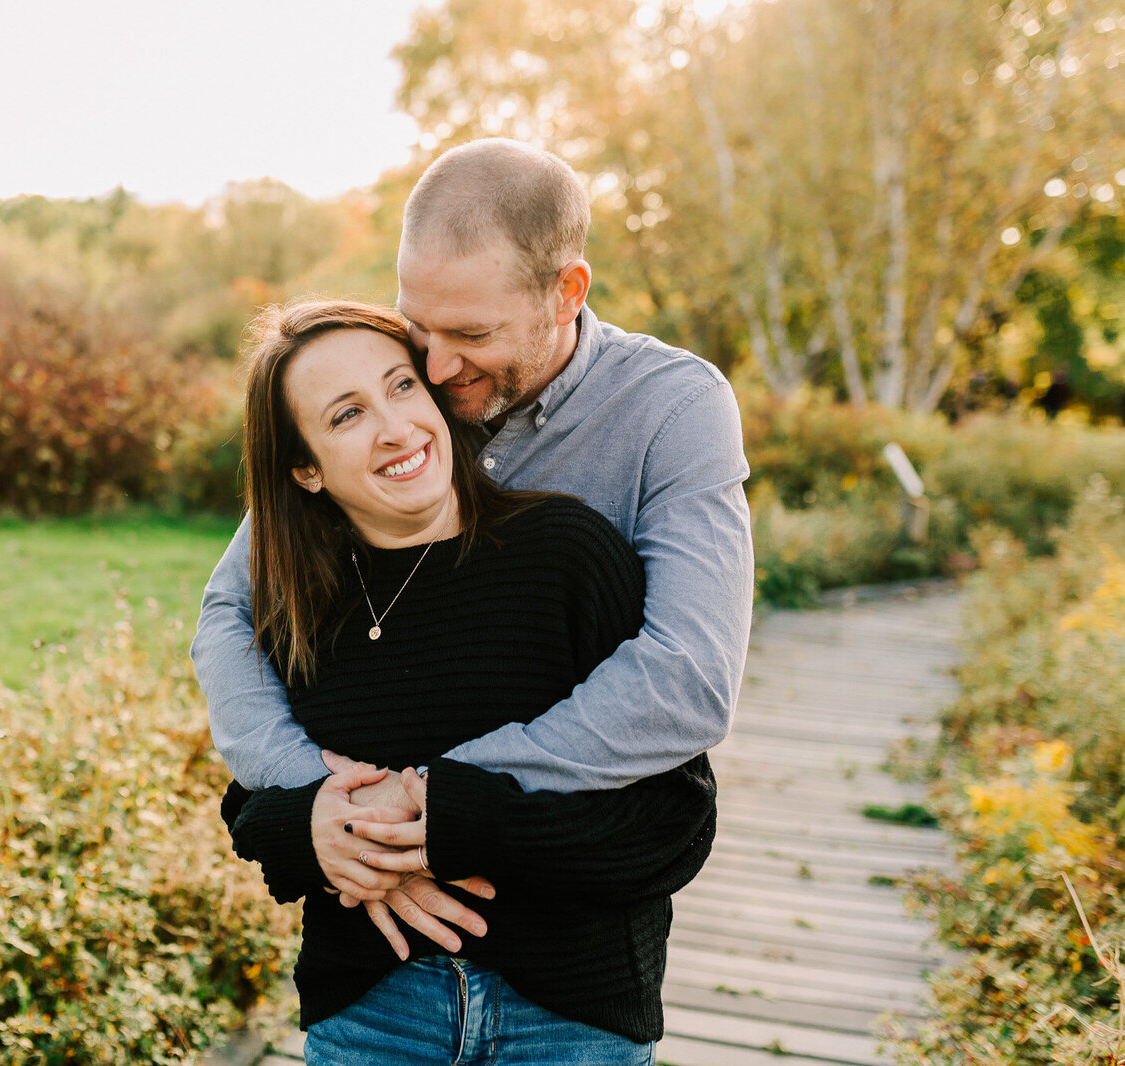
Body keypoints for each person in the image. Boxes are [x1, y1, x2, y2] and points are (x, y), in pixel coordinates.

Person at [192, 138, 754, 934]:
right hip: (374, 964)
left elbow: (688, 676)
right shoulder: (399, 388)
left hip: (571, 930)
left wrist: (433, 803)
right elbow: (229, 613)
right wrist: (324, 802)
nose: (437, 366)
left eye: (472, 334)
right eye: (418, 323)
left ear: (567, 293)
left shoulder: (672, 409)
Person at [220, 299, 716, 1063]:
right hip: (372, 1018)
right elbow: (257, 800)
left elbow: (674, 821)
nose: (394, 427)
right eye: (347, 414)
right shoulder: (303, 603)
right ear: (306, 469)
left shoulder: (566, 554)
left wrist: (455, 828)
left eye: (402, 387)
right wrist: (307, 832)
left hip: (567, 1019)